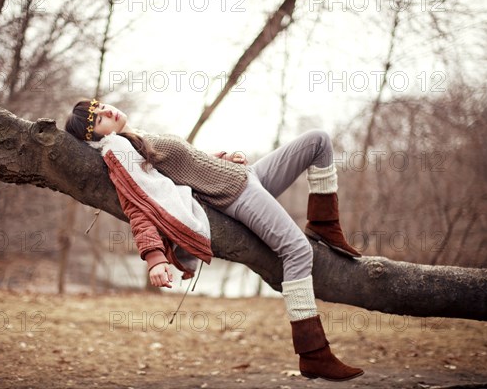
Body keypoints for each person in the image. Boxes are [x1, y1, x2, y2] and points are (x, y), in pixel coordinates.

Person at [65, 99, 364, 381]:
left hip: (245, 176)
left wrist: (222, 159)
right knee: (298, 251)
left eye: (101, 106)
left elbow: (187, 169)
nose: (107, 111)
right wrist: (154, 256)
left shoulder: (137, 137)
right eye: (98, 118)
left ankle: (325, 225)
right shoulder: (120, 151)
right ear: (94, 137)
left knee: (318, 140)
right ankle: (313, 352)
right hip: (239, 196)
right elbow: (139, 204)